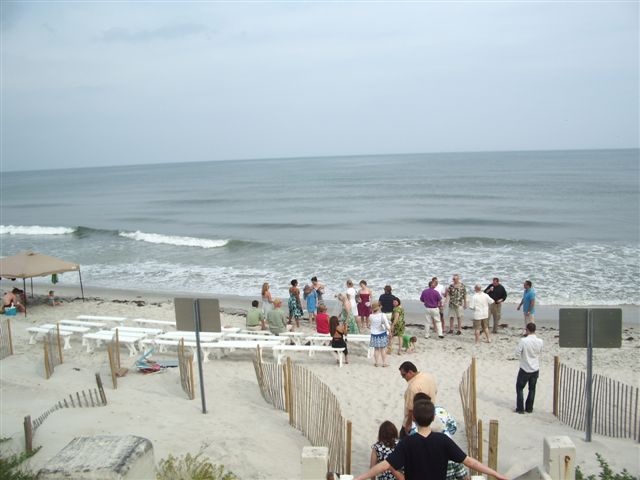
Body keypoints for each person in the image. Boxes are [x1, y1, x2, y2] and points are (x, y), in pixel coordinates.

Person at [355, 400, 508, 480]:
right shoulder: (443, 440)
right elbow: (469, 462)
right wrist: (495, 473)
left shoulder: (407, 442)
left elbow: (384, 465)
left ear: (414, 418)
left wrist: (360, 478)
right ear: (433, 418)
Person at [399, 361, 437, 437]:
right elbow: (435, 391)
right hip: (429, 414)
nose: (403, 377)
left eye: (404, 375)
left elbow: (411, 409)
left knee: (404, 439)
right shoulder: (428, 376)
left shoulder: (413, 387)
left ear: (410, 372)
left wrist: (408, 424)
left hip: (417, 420)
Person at [515, 322, 543, 414]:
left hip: (525, 368)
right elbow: (540, 352)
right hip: (535, 368)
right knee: (532, 389)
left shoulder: (523, 340)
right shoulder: (540, 341)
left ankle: (520, 408)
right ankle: (529, 408)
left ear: (527, 330)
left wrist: (522, 358)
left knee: (519, 388)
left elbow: (517, 353)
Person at [369, 302, 391, 367]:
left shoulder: (371, 316)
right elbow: (387, 325)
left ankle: (376, 363)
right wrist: (390, 331)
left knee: (376, 349)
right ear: (379, 308)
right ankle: (384, 363)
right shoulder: (382, 315)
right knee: (383, 349)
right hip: (382, 334)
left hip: (374, 334)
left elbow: (369, 324)